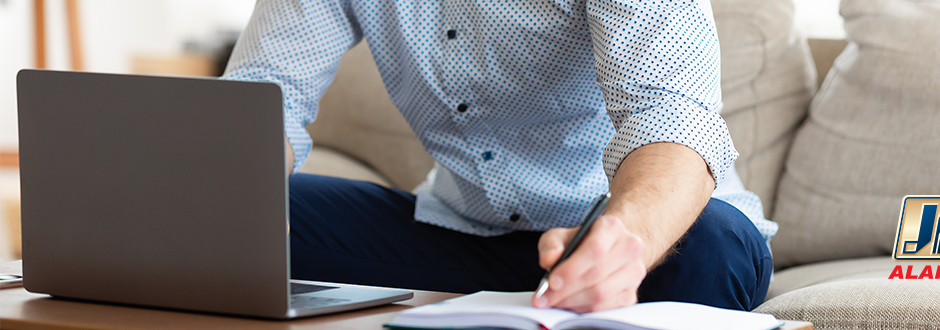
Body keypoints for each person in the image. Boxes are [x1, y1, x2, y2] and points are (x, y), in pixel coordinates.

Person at [222, 0, 777, 312]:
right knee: (238, 218)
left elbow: (670, 117)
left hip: (646, 235)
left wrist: (623, 242)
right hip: (465, 232)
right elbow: (264, 96)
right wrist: (222, 201)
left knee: (709, 247)